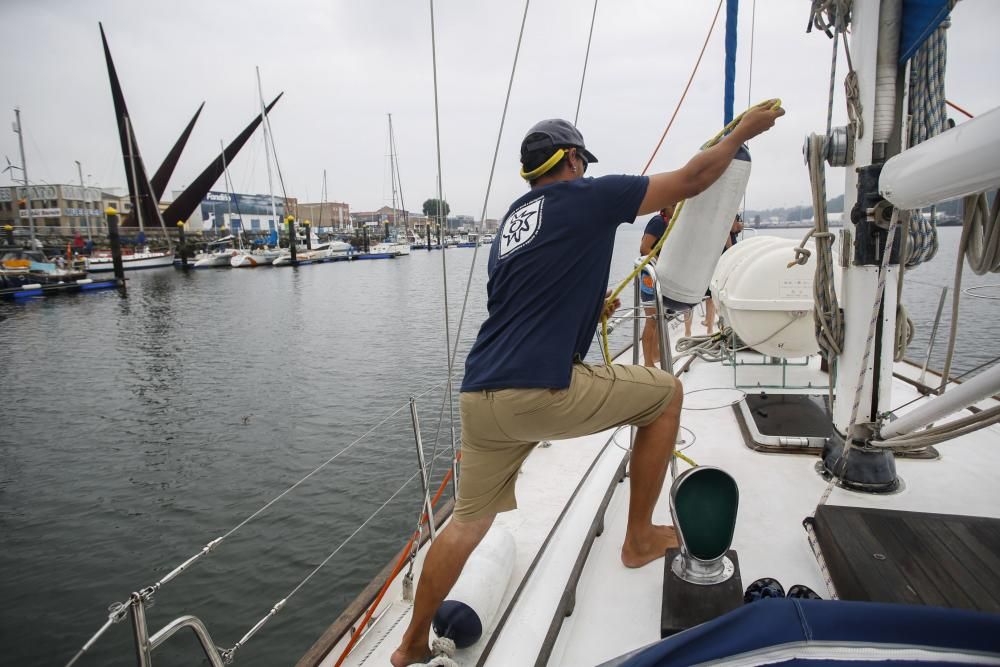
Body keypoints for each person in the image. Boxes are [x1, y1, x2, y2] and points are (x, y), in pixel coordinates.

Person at [391, 104, 783, 666]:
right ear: (573, 159)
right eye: (582, 160)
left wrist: (587, 309)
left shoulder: (512, 226)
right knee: (665, 394)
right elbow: (694, 180)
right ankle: (640, 537)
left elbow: (519, 304)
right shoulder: (589, 196)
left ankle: (409, 645)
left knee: (467, 522)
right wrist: (742, 133)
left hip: (481, 394)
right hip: (538, 390)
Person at [639, 205, 675, 367]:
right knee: (652, 319)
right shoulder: (658, 222)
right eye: (673, 205)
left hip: (661, 277)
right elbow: (644, 248)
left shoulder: (670, 223)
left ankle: (655, 354)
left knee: (660, 319)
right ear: (665, 207)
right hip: (650, 277)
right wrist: (661, 264)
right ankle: (648, 362)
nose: (676, 209)